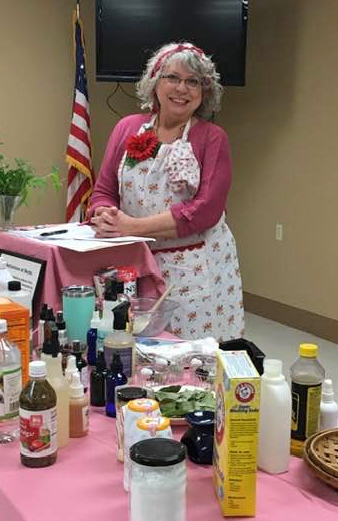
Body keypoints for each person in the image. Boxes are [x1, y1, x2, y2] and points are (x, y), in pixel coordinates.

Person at [87, 42, 244, 341]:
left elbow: (206, 211)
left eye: (193, 81)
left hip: (194, 267)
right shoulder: (126, 128)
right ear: (155, 83)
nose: (181, 88)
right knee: (133, 343)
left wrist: (132, 227)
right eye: (172, 77)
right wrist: (104, 214)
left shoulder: (212, 138)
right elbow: (104, 190)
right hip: (135, 261)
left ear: (204, 92)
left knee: (191, 354)